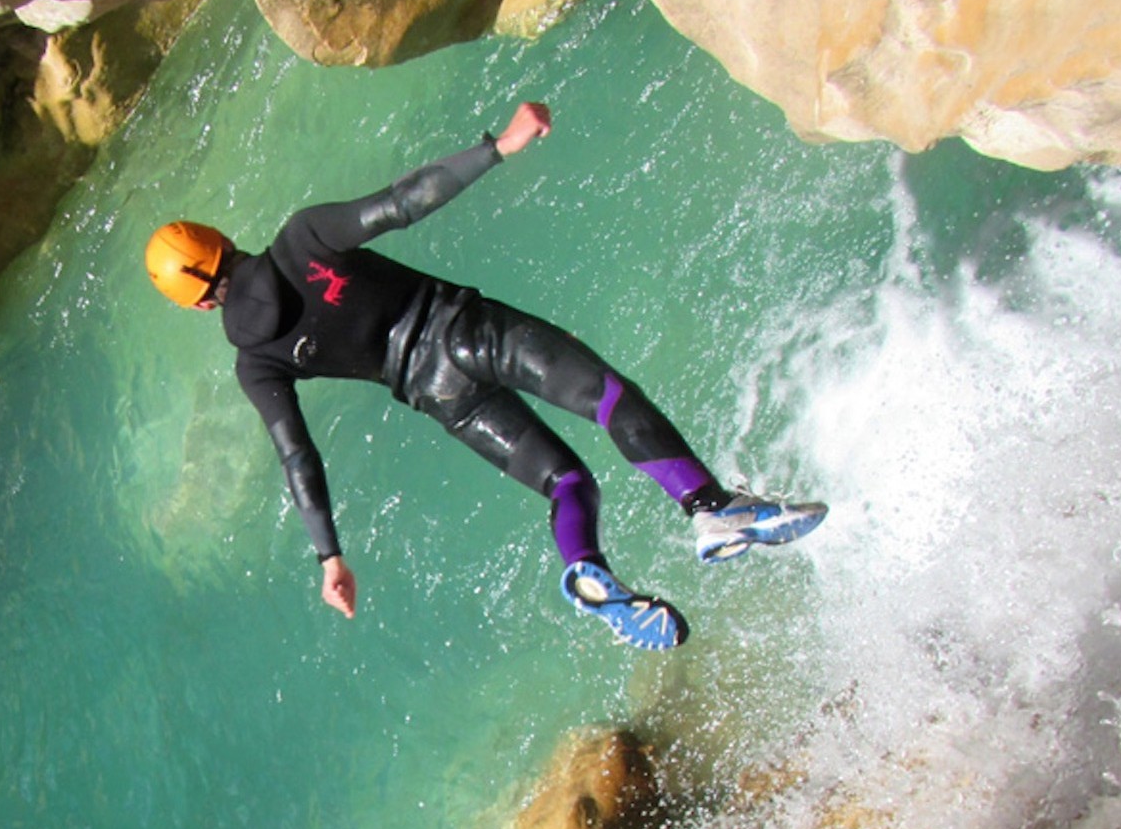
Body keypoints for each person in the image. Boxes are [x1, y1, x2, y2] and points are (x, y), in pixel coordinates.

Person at [144, 102, 826, 651]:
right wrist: (497, 147)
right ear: (221, 240)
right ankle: (711, 510)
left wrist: (330, 557)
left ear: (199, 303)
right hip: (467, 332)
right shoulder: (302, 239)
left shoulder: (254, 364)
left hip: (441, 398)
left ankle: (587, 569)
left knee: (567, 482)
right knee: (607, 396)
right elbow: (403, 202)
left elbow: (297, 455)